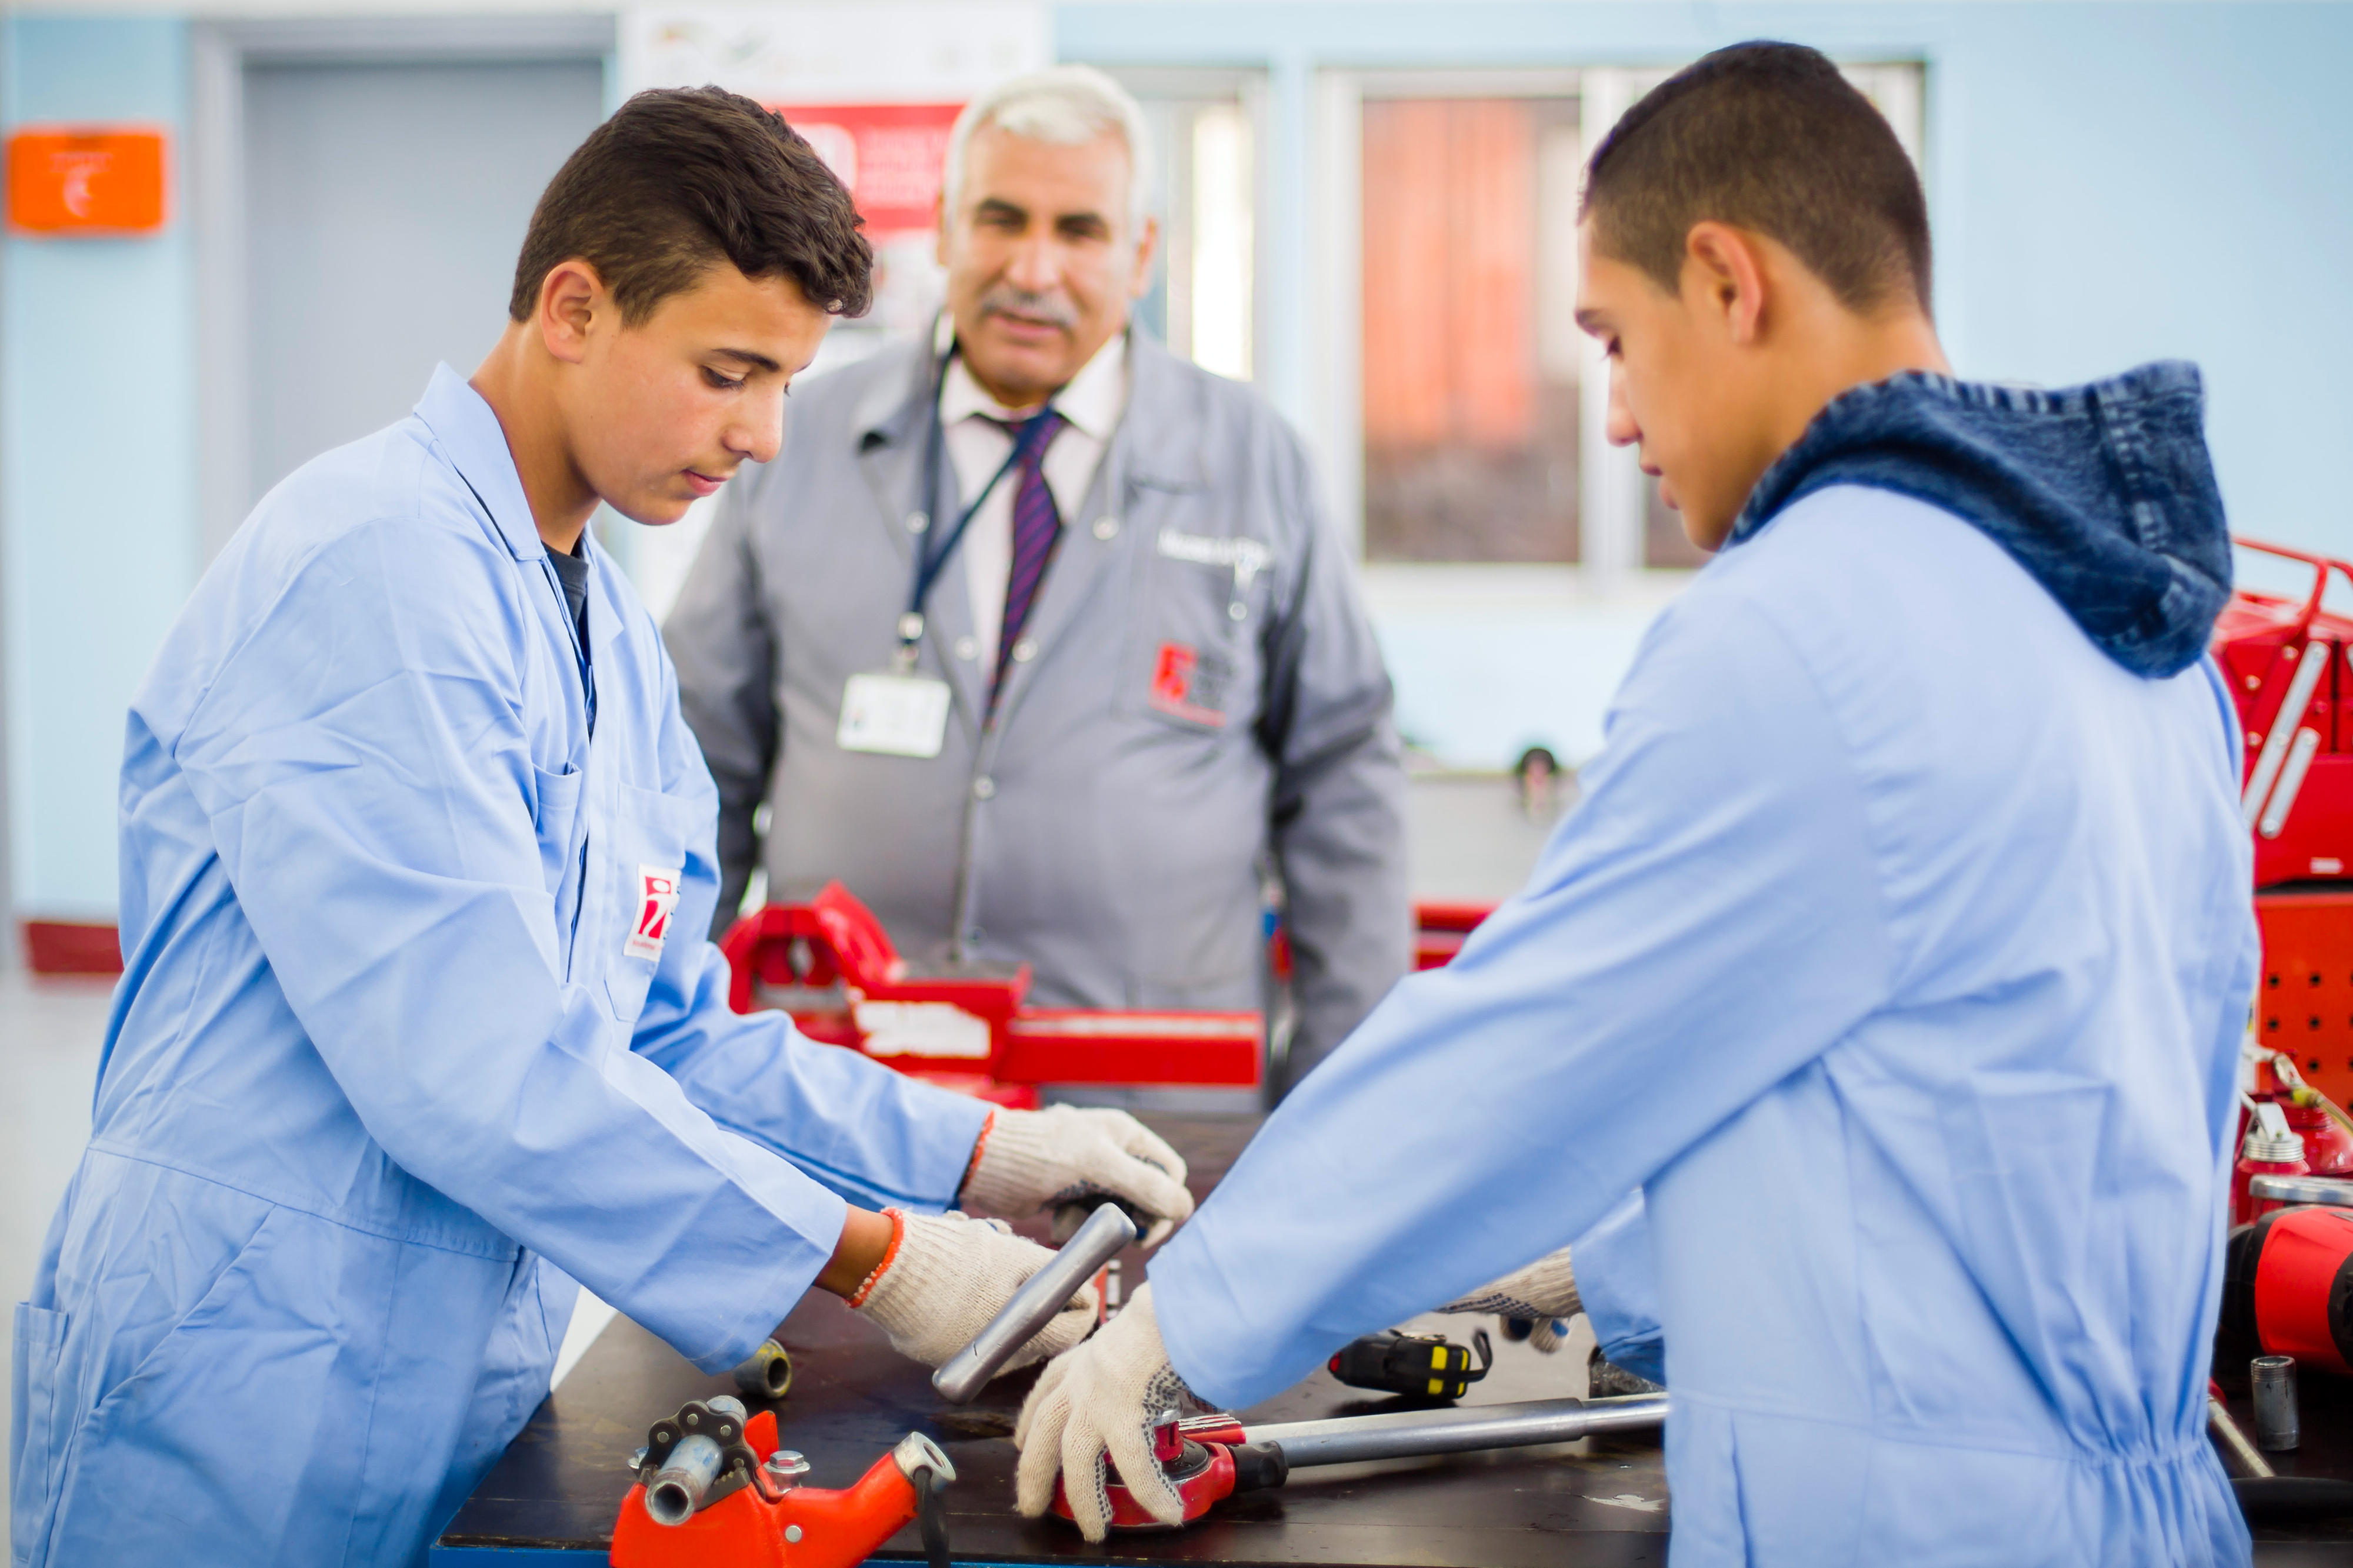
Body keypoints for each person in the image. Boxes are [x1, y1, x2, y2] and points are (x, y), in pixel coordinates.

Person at [1013, 42, 2256, 1565]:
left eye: (1614, 336)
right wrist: (1606, 1258)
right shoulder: (2115, 615)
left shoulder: (1809, 626)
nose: (1609, 417)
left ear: (1729, 283)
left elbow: (1525, 1044)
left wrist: (1180, 1328)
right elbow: (1951, 1120)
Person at [9, 89, 1196, 1568]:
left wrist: (974, 1153)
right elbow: (477, 1064)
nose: (764, 434)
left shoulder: (606, 633)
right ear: (573, 306)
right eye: (727, 372)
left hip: (443, 1378)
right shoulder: (373, 569)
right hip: (238, 1373)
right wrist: (884, 1261)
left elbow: (665, 1029)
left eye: (785, 382)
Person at [664, 67, 1409, 1100]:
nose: (1033, 267)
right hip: (844, 1099)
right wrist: (655, 1041)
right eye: (1000, 220)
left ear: (1143, 251)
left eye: (1080, 230)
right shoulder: (800, 438)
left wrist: (1340, 1094)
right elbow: (694, 767)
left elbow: (1344, 785)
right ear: (943, 227)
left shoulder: (1252, 459)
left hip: (1155, 1104)